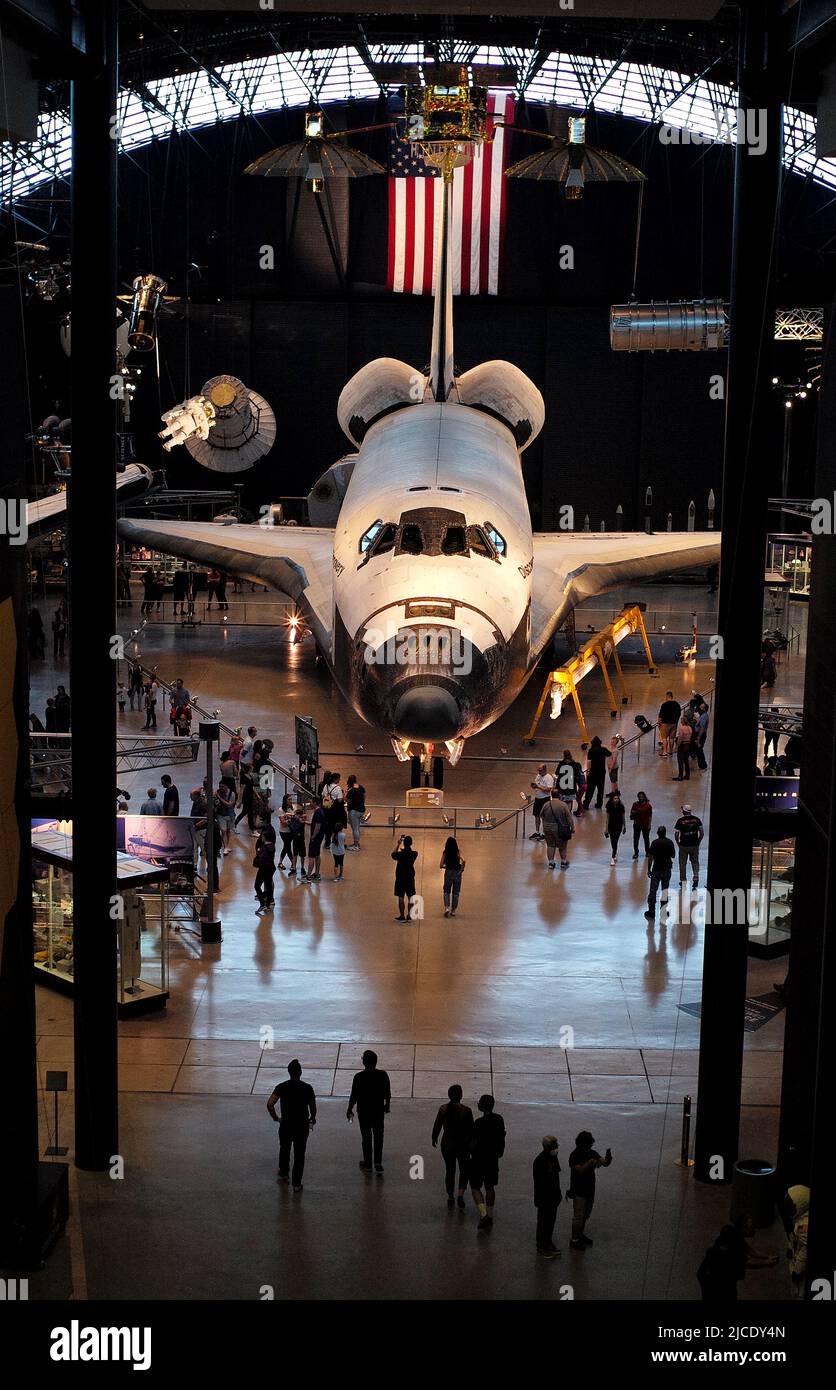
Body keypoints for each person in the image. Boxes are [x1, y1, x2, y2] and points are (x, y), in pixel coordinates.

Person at [266, 1059, 316, 1192]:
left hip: (286, 1124)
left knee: (284, 1148)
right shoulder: (307, 1088)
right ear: (300, 1072)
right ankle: (297, 1184)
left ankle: (284, 1172)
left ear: (289, 1072)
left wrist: (276, 1118)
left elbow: (270, 1104)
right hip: (301, 1126)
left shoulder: (281, 1087)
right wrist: (312, 1118)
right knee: (299, 1154)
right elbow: (313, 1107)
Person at [346, 1050, 391, 1174]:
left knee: (366, 1137)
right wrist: (387, 1104)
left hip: (364, 1111)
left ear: (364, 1062)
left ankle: (368, 1163)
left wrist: (349, 1109)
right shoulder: (383, 1075)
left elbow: (354, 1095)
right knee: (378, 1136)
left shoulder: (359, 1077)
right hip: (378, 1110)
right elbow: (387, 1092)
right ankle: (378, 1162)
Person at [568, 1130, 612, 1250]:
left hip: (590, 1190)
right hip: (579, 1191)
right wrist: (589, 1163)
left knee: (585, 1215)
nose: (590, 1147)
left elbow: (604, 1163)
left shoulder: (592, 1153)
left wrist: (608, 1157)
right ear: (582, 1144)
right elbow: (580, 1170)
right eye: (588, 1145)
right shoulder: (574, 1155)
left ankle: (580, 1234)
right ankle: (574, 1239)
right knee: (578, 1217)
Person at [431, 1084, 474, 1207]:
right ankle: (460, 1194)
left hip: (447, 1144)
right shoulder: (466, 1110)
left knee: (450, 1170)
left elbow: (437, 1125)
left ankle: (450, 1195)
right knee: (463, 1169)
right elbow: (471, 1129)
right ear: (461, 1095)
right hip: (463, 1144)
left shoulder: (443, 1109)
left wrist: (434, 1137)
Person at [469, 1094, 506, 1233]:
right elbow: (502, 1136)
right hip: (492, 1158)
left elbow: (474, 1142)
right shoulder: (499, 1119)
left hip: (478, 1159)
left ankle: (483, 1214)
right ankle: (490, 1215)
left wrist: (469, 1151)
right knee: (490, 1187)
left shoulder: (478, 1123)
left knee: (475, 1187)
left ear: (482, 1106)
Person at [533, 1135, 562, 1257]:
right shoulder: (540, 1161)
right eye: (554, 1146)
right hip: (544, 1198)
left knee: (550, 1221)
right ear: (547, 1147)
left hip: (553, 1197)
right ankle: (542, 1246)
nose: (556, 1148)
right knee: (543, 1222)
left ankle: (548, 1243)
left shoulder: (553, 1158)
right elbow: (541, 1182)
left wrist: (558, 1193)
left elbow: (556, 1177)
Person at [644, 825, 676, 920]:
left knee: (653, 891)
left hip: (656, 869)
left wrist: (649, 869)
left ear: (658, 833)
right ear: (665, 833)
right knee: (664, 891)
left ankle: (651, 911)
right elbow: (673, 855)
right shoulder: (669, 842)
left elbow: (650, 857)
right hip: (667, 869)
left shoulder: (654, 843)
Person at [785, 1185, 809, 1298]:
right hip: (796, 1253)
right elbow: (794, 1235)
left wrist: (797, 1270)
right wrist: (790, 1247)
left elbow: (805, 1251)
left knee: (800, 1286)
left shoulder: (805, 1226)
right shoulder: (800, 1217)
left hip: (800, 1263)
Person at [540, 790, 574, 870]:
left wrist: (545, 824)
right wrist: (572, 828)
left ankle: (551, 863)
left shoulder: (546, 804)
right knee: (562, 846)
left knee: (550, 845)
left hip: (547, 828)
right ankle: (563, 862)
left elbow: (541, 815)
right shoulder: (563, 805)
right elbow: (569, 818)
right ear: (560, 795)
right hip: (560, 828)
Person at [674, 804, 704, 889]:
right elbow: (702, 832)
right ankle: (696, 876)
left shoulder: (680, 821)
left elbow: (676, 834)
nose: (682, 811)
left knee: (682, 863)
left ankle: (683, 881)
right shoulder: (697, 820)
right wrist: (698, 841)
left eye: (682, 810)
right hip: (694, 844)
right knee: (695, 861)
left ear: (684, 811)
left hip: (684, 845)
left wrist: (678, 843)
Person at [392, 834, 418, 920]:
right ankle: (409, 915)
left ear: (404, 843)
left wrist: (398, 844)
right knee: (410, 896)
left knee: (400, 896)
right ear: (411, 843)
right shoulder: (414, 854)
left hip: (400, 877)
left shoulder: (400, 854)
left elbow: (393, 854)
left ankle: (402, 915)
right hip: (410, 876)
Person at [439, 836, 466, 915]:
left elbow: (440, 865)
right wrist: (461, 870)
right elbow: (464, 860)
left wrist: (446, 866)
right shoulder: (458, 851)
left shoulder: (445, 852)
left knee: (446, 891)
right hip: (457, 873)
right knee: (456, 893)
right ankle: (453, 910)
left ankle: (447, 908)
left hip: (448, 872)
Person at [253, 826, 277, 912]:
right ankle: (267, 904)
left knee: (257, 886)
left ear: (265, 837)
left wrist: (259, 852)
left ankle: (262, 904)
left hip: (264, 869)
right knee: (269, 885)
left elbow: (262, 858)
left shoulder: (264, 848)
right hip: (270, 868)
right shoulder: (272, 846)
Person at [583, 737, 611, 810]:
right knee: (600, 789)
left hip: (593, 773)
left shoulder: (591, 751)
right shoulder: (603, 749)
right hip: (601, 773)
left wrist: (588, 771)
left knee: (590, 790)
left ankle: (586, 805)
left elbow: (589, 762)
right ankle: (599, 804)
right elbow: (609, 754)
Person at [555, 749, 584, 815]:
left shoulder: (561, 764)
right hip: (571, 786)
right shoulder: (574, 764)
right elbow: (577, 774)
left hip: (562, 787)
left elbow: (557, 773)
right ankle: (569, 814)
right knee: (569, 802)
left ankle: (563, 814)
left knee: (562, 802)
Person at [529, 764, 554, 839]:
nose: (539, 772)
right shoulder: (538, 776)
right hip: (537, 799)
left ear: (544, 769)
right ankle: (537, 832)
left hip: (545, 799)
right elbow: (536, 785)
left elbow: (549, 790)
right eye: (538, 770)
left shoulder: (549, 778)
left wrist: (538, 787)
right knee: (537, 816)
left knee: (544, 817)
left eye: (540, 770)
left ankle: (544, 833)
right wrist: (534, 786)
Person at [305, 797, 326, 881]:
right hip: (320, 837)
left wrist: (313, 836)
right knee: (317, 855)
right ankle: (316, 873)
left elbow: (317, 826)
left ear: (315, 803)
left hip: (316, 837)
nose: (310, 804)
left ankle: (308, 875)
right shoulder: (320, 811)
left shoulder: (317, 813)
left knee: (311, 856)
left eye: (311, 802)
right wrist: (306, 822)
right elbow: (316, 824)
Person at [657, 691, 681, 757]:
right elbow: (679, 714)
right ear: (672, 696)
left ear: (667, 696)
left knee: (664, 738)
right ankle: (670, 752)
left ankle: (665, 752)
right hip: (674, 723)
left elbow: (660, 715)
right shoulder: (677, 704)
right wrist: (676, 721)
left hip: (665, 723)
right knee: (672, 738)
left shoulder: (664, 704)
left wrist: (659, 722)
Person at [629, 791, 653, 859]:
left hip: (645, 825)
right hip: (637, 825)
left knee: (646, 839)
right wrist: (634, 814)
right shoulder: (635, 804)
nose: (640, 798)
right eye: (639, 797)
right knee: (636, 839)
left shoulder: (648, 806)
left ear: (644, 797)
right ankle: (636, 853)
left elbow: (650, 816)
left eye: (642, 796)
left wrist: (649, 825)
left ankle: (647, 852)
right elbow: (631, 814)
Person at [604, 790, 626, 865]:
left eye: (617, 798)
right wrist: (606, 829)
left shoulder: (621, 807)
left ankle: (613, 857)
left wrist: (624, 826)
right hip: (611, 826)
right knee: (612, 841)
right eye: (615, 798)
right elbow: (607, 818)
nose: (616, 800)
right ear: (612, 799)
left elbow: (623, 817)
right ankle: (615, 852)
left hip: (619, 826)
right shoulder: (609, 807)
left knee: (615, 841)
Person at [345, 773, 366, 849]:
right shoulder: (360, 787)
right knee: (357, 827)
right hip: (361, 809)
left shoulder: (350, 790)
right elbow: (364, 796)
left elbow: (346, 799)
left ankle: (356, 844)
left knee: (355, 828)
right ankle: (357, 842)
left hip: (354, 811)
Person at [216, 777, 236, 853]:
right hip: (221, 815)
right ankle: (225, 847)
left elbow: (229, 805)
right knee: (223, 830)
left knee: (228, 831)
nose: (221, 788)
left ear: (226, 786)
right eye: (220, 786)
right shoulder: (217, 793)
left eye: (222, 787)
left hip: (230, 815)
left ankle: (227, 846)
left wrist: (219, 797)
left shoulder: (232, 794)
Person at [673, 711, 694, 781]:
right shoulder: (690, 728)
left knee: (680, 761)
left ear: (682, 721)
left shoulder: (681, 728)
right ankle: (687, 775)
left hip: (682, 745)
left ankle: (680, 776)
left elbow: (680, 739)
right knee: (686, 761)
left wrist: (676, 747)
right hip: (688, 745)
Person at [277, 793, 295, 870]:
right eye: (289, 799)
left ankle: (280, 862)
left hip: (291, 831)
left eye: (291, 799)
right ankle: (293, 863)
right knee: (287, 847)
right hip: (283, 832)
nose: (291, 801)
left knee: (286, 846)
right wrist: (290, 820)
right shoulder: (281, 810)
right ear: (285, 800)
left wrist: (288, 820)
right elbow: (283, 823)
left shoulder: (293, 808)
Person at [288, 805, 307, 877]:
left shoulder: (301, 822)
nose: (294, 816)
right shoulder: (295, 820)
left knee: (302, 855)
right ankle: (294, 868)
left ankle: (302, 868)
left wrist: (290, 824)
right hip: (295, 840)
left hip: (301, 840)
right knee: (295, 854)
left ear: (299, 815)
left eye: (296, 815)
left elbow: (294, 829)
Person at [692, 700, 710, 771]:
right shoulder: (702, 716)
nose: (699, 708)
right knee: (698, 750)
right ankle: (702, 765)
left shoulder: (704, 717)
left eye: (701, 708)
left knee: (699, 750)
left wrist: (698, 738)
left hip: (700, 735)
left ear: (704, 709)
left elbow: (702, 728)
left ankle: (703, 765)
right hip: (700, 734)